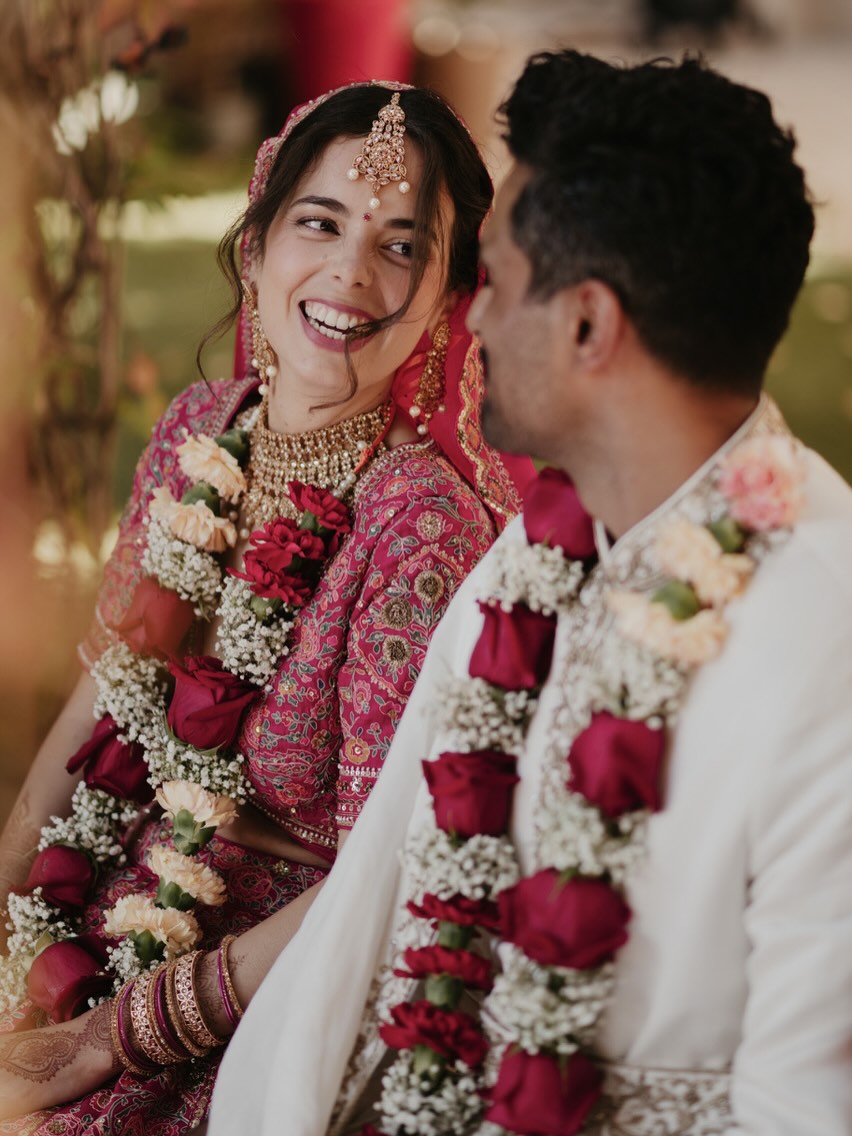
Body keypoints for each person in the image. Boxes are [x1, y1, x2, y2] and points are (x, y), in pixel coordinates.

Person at [208, 50, 852, 1136]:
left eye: (494, 280)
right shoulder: (533, 562)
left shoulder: (819, 636)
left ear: (589, 326)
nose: (473, 321)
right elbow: (374, 916)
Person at [0, 81, 534, 1131]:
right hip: (115, 884)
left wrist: (112, 1036)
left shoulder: (421, 527)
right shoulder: (204, 422)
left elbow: (389, 875)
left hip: (283, 973)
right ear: (253, 250)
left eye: (401, 246)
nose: (349, 271)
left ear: (445, 300)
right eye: (321, 223)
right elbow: (109, 684)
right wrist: (11, 882)